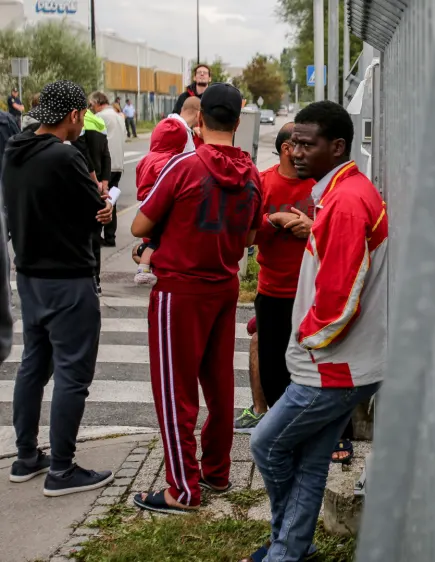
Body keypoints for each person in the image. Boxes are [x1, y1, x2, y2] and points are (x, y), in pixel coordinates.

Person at [247, 101, 387, 562]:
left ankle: (287, 545)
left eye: (308, 144)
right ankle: (291, 550)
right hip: (344, 364)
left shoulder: (346, 202)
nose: (296, 151)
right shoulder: (343, 192)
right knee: (308, 463)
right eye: (293, 143)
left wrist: (305, 342)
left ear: (338, 146)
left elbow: (338, 298)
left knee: (265, 445)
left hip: (331, 368)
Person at [131, 83, 262, 515]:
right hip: (223, 286)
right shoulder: (253, 174)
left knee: (176, 390)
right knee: (219, 384)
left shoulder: (185, 165)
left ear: (199, 119)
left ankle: (182, 490)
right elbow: (249, 237)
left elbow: (138, 225)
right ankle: (218, 471)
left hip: (180, 290)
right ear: (239, 123)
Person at [3, 80, 114, 496]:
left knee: (34, 363)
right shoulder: (65, 157)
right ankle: (63, 470)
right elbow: (95, 210)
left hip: (29, 276)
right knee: (72, 373)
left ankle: (26, 455)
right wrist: (102, 206)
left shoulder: (15, 149)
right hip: (67, 277)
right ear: (71, 116)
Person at [234, 122, 316, 433]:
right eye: (304, 146)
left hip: (311, 291)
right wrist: (273, 220)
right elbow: (246, 237)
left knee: (311, 362)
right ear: (286, 149)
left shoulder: (319, 184)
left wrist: (313, 228)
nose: (309, 153)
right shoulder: (263, 182)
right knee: (271, 363)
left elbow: (338, 230)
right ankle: (269, 419)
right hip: (272, 291)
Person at [131, 97, 202, 285]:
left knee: (153, 239)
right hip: (162, 204)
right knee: (158, 241)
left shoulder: (148, 158)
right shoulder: (170, 159)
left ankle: (145, 263)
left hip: (146, 204)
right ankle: (144, 269)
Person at [71, 95, 112, 294]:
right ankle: (95, 279)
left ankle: (88, 279)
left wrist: (95, 180)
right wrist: (104, 181)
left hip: (85, 182)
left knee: (83, 235)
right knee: (95, 235)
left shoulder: (78, 125)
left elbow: (83, 156)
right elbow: (106, 152)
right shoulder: (99, 122)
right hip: (96, 184)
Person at [94, 92, 126, 247]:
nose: (92, 108)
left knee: (102, 199)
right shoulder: (118, 116)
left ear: (98, 103)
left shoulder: (101, 117)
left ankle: (98, 234)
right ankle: (110, 236)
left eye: (92, 105)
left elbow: (97, 140)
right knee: (111, 200)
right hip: (119, 163)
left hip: (107, 164)